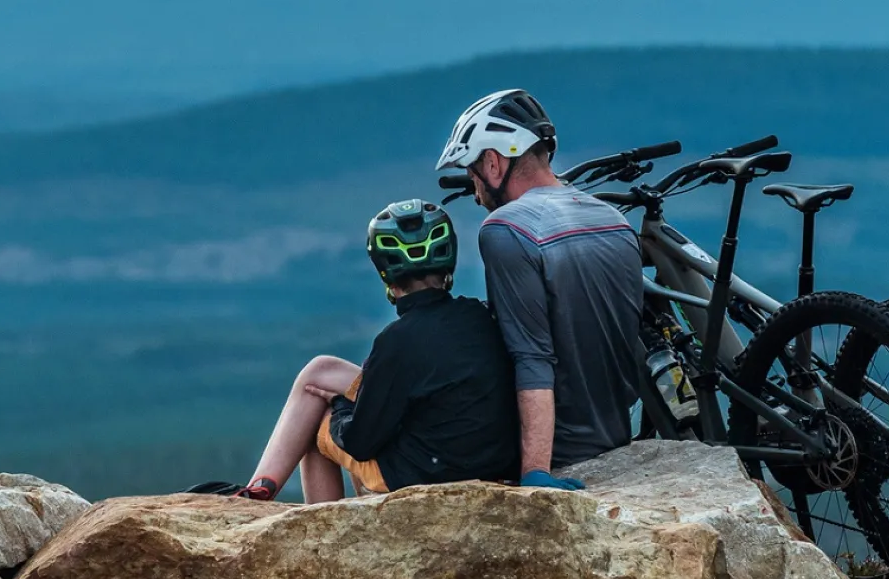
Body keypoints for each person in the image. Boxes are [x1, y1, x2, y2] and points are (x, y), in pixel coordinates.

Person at [186, 199, 520, 502]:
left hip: (427, 472)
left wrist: (341, 408)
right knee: (322, 369)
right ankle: (261, 484)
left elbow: (362, 442)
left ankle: (289, 510)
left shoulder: (397, 341)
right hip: (488, 460)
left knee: (316, 428)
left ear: (385, 271)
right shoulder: (480, 315)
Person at [435, 89, 644, 490]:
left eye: (471, 174)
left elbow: (532, 355)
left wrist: (535, 472)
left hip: (562, 451)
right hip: (616, 437)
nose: (475, 193)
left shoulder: (506, 230)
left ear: (493, 163)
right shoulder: (612, 218)